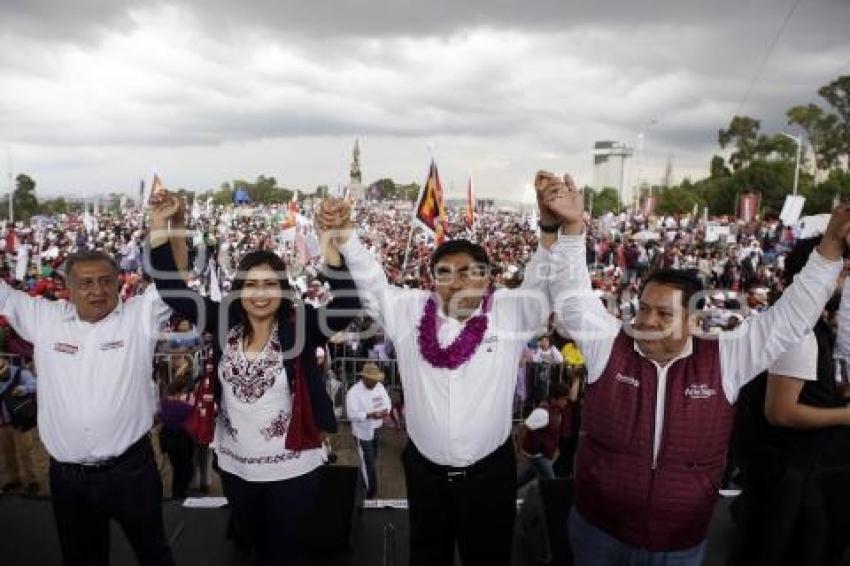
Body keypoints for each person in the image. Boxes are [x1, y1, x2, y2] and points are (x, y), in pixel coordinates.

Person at [541, 172, 850, 565]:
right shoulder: (610, 345)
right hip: (599, 532)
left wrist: (830, 248)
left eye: (664, 313)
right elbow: (572, 299)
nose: (648, 321)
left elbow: (789, 319)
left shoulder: (724, 359)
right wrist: (571, 227)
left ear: (692, 320)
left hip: (680, 542)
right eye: (644, 308)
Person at [317, 178, 556, 566]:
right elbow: (373, 282)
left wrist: (548, 229)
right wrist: (345, 234)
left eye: (467, 272)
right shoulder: (409, 311)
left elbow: (543, 284)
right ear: (433, 280)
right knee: (428, 556)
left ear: (487, 278)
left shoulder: (510, 313)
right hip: (425, 473)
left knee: (490, 557)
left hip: (490, 475)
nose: (456, 281)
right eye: (444, 272)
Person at [147, 191, 360, 566]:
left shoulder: (303, 325)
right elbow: (171, 289)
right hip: (236, 466)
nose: (260, 294)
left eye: (270, 284)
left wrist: (330, 243)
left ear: (283, 289)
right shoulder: (221, 318)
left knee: (285, 550)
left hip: (295, 467)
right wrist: (159, 226)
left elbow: (347, 305)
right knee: (248, 541)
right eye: (251, 284)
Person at [0, 248, 175, 565]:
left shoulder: (139, 315)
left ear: (118, 282)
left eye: (106, 281)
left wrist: (167, 226)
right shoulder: (44, 317)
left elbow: (172, 281)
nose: (98, 290)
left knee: (154, 554)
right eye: (86, 283)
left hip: (131, 471)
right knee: (81, 559)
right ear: (68, 287)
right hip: (68, 479)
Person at [730, 236, 850, 566]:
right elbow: (780, 411)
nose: (845, 281)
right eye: (841, 272)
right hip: (787, 476)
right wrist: (844, 415)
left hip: (786, 472)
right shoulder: (800, 332)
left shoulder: (800, 325)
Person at [345, 361, 391, 499]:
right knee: (368, 461)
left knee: (372, 459)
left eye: (377, 380)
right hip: (362, 433)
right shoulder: (353, 392)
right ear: (364, 377)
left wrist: (385, 411)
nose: (376, 382)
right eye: (373, 380)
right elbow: (351, 414)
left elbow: (387, 402)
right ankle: (370, 492)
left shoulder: (379, 387)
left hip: (376, 429)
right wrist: (370, 415)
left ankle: (366, 480)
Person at [516, 381, 571, 489]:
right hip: (539, 456)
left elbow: (552, 433)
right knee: (551, 483)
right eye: (564, 399)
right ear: (554, 399)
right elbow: (523, 428)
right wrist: (519, 450)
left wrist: (555, 449)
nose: (566, 402)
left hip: (544, 454)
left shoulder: (557, 411)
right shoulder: (542, 412)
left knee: (526, 477)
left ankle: (507, 490)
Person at [0, 356, 39, 494]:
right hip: (3, 424)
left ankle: (32, 480)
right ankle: (14, 479)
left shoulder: (20, 372)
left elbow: (36, 385)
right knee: (7, 454)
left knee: (25, 452)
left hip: (20, 420)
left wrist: (24, 389)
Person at [157, 377, 195, 502]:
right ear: (180, 390)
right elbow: (193, 415)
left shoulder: (163, 403)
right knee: (184, 468)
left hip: (167, 438)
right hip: (180, 440)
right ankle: (178, 494)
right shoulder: (184, 407)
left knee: (177, 467)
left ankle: (177, 492)